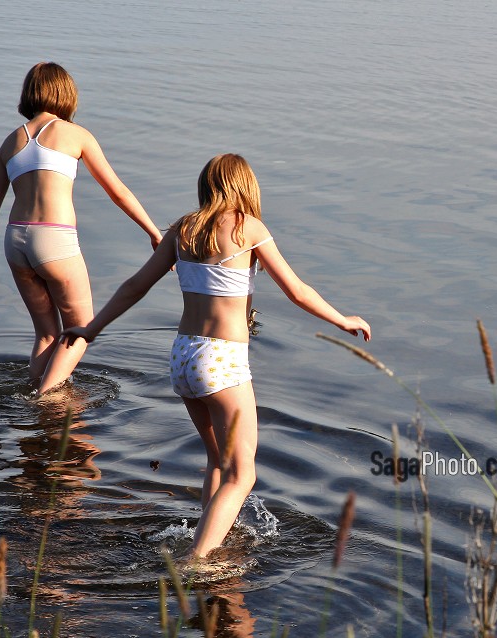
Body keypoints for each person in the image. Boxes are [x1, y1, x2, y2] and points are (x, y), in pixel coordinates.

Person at [62, 154, 371, 559]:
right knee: (243, 474)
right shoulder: (248, 228)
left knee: (217, 463)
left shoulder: (182, 230)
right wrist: (342, 320)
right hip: (222, 360)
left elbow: (135, 285)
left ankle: (208, 536)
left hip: (183, 356)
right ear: (245, 186)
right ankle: (198, 561)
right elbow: (296, 290)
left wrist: (92, 329)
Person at [0, 62, 162, 394]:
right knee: (81, 329)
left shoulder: (10, 142)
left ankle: (33, 391)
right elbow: (117, 191)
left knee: (46, 335)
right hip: (54, 239)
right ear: (66, 94)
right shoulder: (75, 134)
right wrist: (153, 231)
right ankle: (43, 400)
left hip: (16, 240)